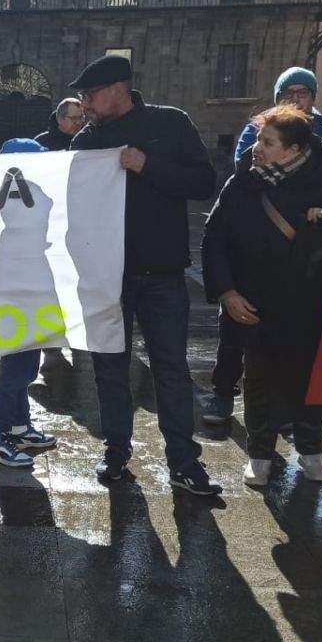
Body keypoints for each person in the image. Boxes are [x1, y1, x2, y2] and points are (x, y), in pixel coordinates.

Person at [68, 53, 221, 496]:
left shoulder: (171, 123)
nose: (85, 103)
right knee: (109, 369)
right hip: (106, 278)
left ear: (118, 88)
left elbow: (202, 183)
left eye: (90, 94)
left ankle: (184, 461)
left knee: (171, 369)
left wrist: (147, 165)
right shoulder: (85, 141)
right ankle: (116, 452)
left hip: (162, 275)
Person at [202, 105, 322, 487]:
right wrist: (226, 291)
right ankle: (259, 454)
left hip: (311, 302)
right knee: (259, 378)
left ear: (293, 150)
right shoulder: (242, 182)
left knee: (312, 378)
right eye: (259, 138)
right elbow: (215, 238)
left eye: (267, 141)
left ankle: (311, 448)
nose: (256, 148)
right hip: (252, 300)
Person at [0, 137, 60, 468]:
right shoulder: (21, 191)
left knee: (26, 359)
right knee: (15, 362)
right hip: (18, 280)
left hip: (27, 276)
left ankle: (18, 425)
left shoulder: (15, 190)